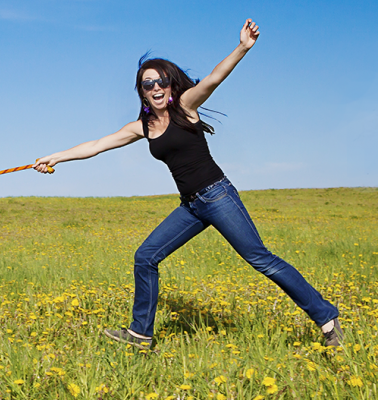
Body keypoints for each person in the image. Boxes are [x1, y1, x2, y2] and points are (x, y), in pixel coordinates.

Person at [32, 19, 342, 350]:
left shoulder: (186, 106)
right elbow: (97, 144)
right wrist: (56, 157)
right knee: (146, 256)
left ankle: (326, 318)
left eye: (161, 80)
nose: (155, 86)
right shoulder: (143, 126)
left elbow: (213, 78)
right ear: (142, 92)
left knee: (260, 259)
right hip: (191, 206)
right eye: (147, 83)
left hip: (218, 196)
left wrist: (242, 48)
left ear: (171, 84)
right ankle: (140, 334)